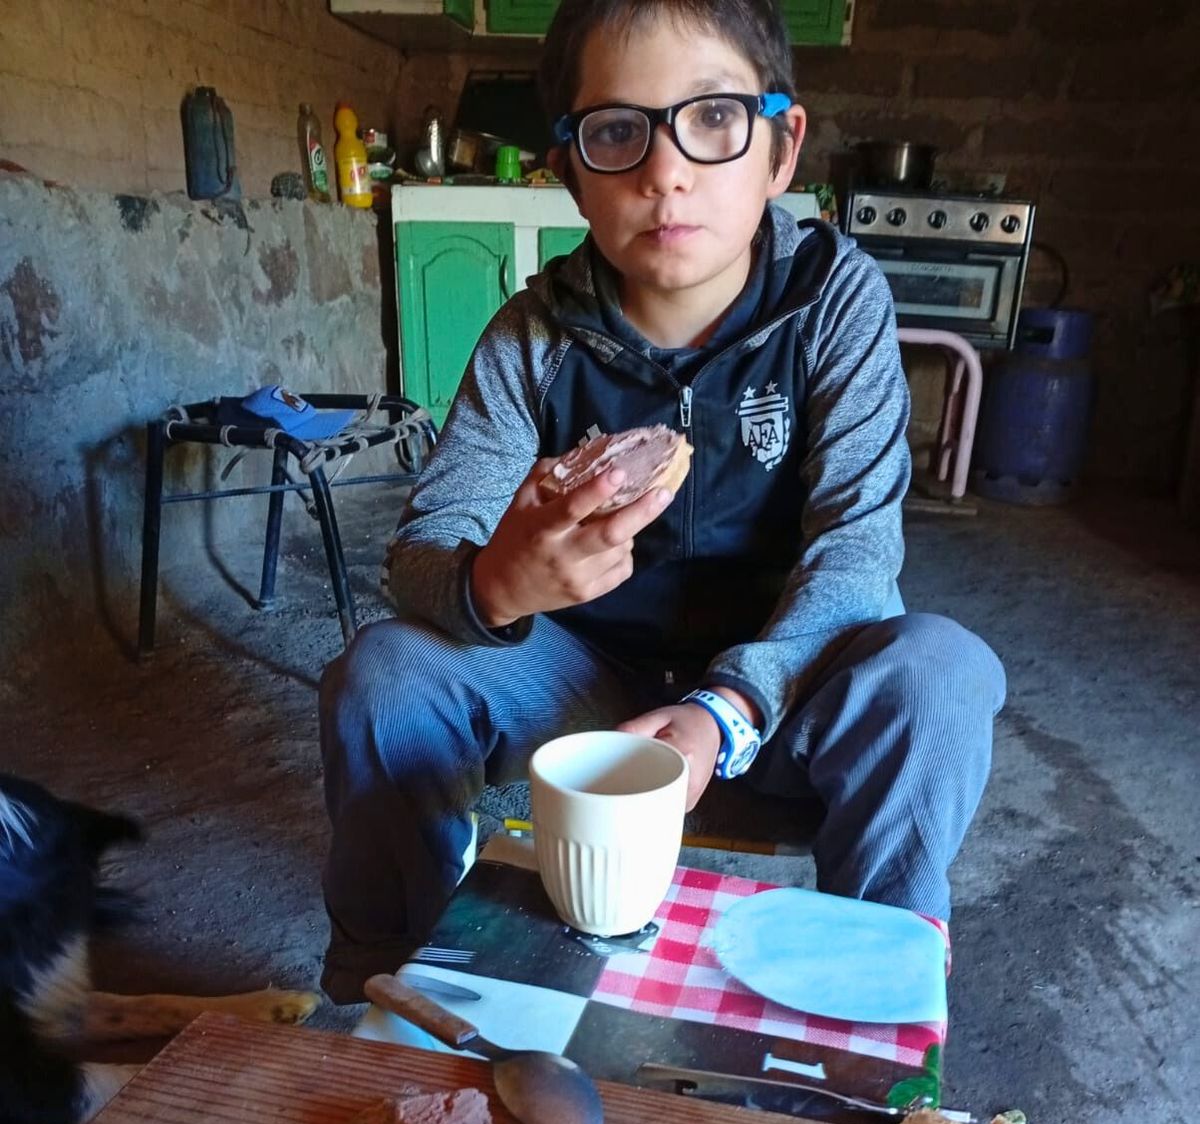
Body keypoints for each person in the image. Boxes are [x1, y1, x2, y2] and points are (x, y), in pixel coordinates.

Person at [318, 0, 1006, 1004]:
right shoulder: (534, 335)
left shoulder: (834, 303)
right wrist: (496, 580)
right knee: (384, 673)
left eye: (715, 119)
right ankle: (387, 989)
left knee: (940, 672)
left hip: (780, 698)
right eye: (617, 131)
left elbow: (856, 560)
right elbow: (428, 545)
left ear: (782, 147)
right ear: (566, 167)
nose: (666, 170)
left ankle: (875, 1010)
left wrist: (719, 711)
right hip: (587, 703)